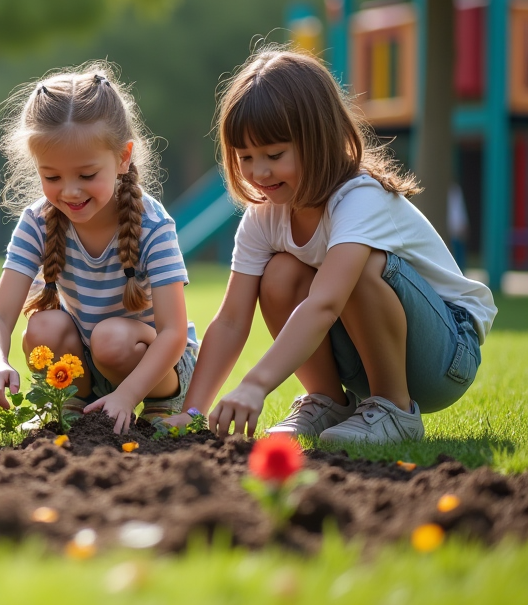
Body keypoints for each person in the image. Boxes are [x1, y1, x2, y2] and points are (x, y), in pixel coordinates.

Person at [168, 47, 494, 443]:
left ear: (319, 139)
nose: (259, 172)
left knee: (358, 266)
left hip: (445, 358)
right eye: (245, 157)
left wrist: (256, 384)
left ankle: (395, 410)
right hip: (361, 358)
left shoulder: (360, 199)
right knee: (280, 274)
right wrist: (193, 412)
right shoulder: (265, 215)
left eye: (274, 154)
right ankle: (327, 402)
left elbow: (324, 303)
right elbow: (233, 319)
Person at [0, 63, 199, 433]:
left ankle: (157, 408)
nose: (70, 191)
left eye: (87, 175)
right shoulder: (38, 222)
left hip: (159, 367)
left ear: (123, 157)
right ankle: (72, 408)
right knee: (44, 325)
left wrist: (127, 396)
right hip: (88, 361)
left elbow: (174, 333)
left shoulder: (152, 224)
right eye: (52, 177)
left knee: (111, 338)